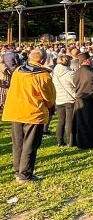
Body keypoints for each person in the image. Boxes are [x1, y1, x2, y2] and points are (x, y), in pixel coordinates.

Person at [2, 49, 56, 183]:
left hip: (15, 111)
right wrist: (49, 106)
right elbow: (49, 97)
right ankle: (25, 174)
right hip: (33, 113)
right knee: (30, 144)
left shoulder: (18, 71)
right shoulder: (43, 75)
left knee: (18, 143)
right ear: (43, 60)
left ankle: (18, 169)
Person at [52, 53, 77, 147]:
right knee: (69, 121)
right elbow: (75, 84)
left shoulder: (54, 72)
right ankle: (70, 141)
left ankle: (59, 140)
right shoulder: (70, 73)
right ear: (68, 62)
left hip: (59, 98)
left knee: (61, 120)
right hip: (69, 98)